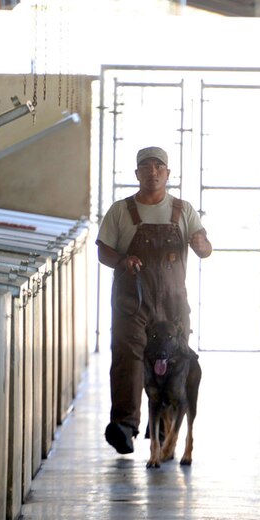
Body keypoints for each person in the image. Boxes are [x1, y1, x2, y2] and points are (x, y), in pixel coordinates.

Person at [97, 146, 212, 455]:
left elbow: (205, 248)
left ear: (167, 173)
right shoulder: (121, 211)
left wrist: (203, 245)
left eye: (158, 166)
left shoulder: (183, 210)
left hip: (173, 304)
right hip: (132, 300)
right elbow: (102, 251)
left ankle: (163, 428)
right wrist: (122, 259)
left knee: (174, 359)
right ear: (137, 174)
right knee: (129, 356)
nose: (153, 172)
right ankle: (124, 425)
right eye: (146, 167)